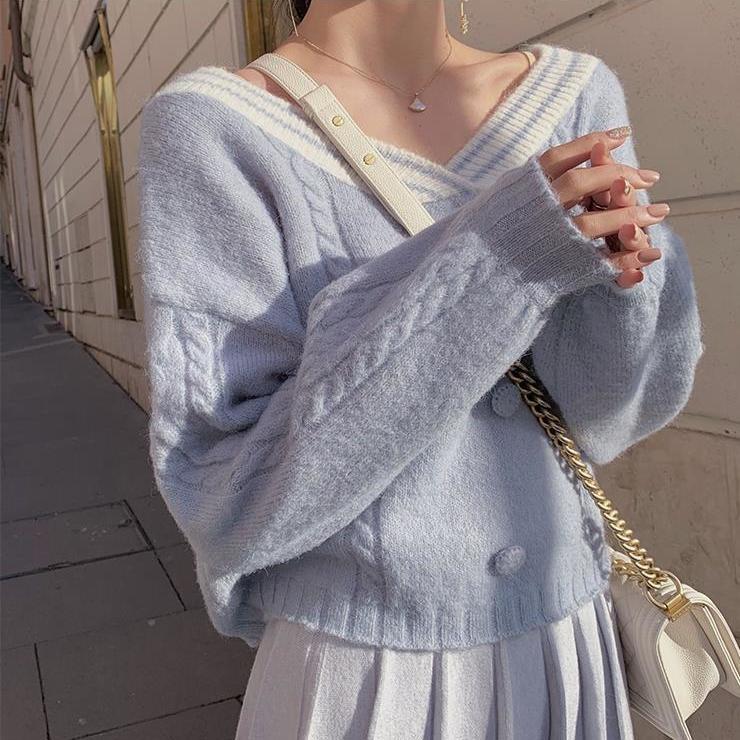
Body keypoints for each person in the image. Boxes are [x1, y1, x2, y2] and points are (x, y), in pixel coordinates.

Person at [136, 0, 704, 737]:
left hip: (565, 638)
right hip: (369, 676)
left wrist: (630, 281)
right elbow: (228, 500)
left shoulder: (575, 95)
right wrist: (498, 264)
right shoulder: (215, 126)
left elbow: (604, 419)